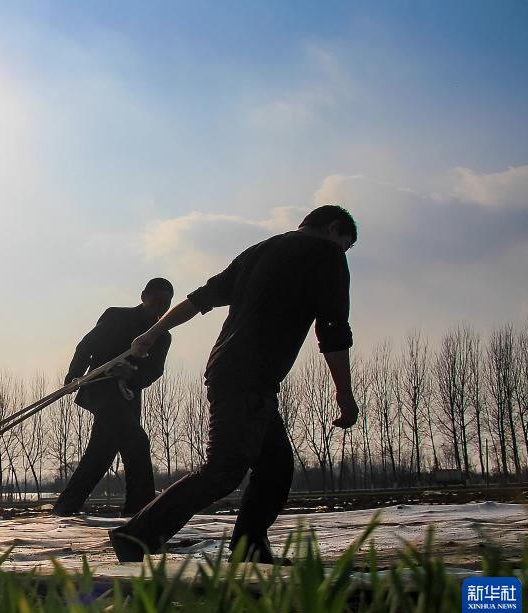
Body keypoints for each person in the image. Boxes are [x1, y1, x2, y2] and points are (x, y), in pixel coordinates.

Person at [109, 206, 359, 563]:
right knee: (223, 470)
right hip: (248, 379)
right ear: (335, 229)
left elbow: (199, 299)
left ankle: (249, 547)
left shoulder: (259, 251)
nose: (343, 251)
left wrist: (152, 332)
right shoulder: (327, 254)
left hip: (235, 373)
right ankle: (135, 537)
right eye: (345, 244)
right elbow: (333, 330)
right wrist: (344, 394)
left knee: (275, 468)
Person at [52, 278, 175, 517]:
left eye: (166, 303)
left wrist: (132, 373)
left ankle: (64, 508)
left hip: (127, 398)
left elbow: (154, 371)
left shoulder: (162, 336)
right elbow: (86, 346)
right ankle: (141, 511)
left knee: (100, 454)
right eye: (156, 300)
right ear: (144, 296)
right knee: (136, 442)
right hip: (101, 391)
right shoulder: (116, 316)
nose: (160, 307)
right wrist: (74, 377)